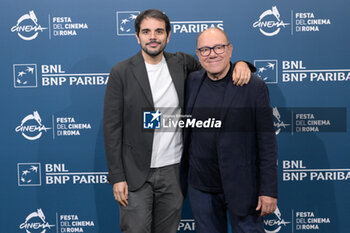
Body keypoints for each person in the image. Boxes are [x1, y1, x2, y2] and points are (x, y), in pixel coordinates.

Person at [103, 9, 254, 233]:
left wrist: (242, 64)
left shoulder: (182, 63)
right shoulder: (121, 72)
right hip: (135, 174)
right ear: (137, 37)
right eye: (146, 32)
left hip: (174, 172)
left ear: (168, 35)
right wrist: (117, 177)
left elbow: (215, 66)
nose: (152, 37)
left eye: (159, 31)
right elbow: (112, 128)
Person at [182, 28, 278, 233]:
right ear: (197, 54)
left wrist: (268, 190)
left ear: (230, 50)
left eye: (218, 47)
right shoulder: (191, 81)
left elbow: (267, 142)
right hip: (201, 188)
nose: (212, 54)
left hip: (244, 186)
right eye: (205, 49)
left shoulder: (253, 86)